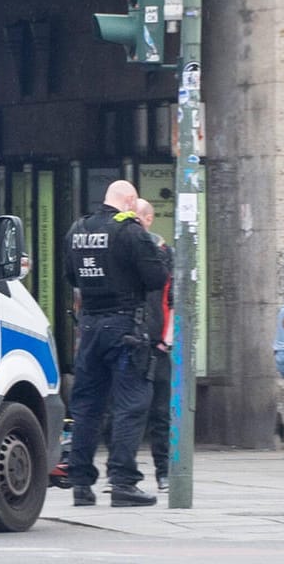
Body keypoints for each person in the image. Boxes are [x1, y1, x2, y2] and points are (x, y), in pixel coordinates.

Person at [62, 179, 168, 507]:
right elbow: (156, 278)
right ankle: (122, 481)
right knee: (131, 404)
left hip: (90, 328)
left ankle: (80, 482)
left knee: (87, 407)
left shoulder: (77, 229)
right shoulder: (130, 231)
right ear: (131, 201)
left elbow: (70, 277)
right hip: (125, 328)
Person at [135, 199, 174, 491]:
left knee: (160, 412)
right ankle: (122, 472)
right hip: (132, 341)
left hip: (157, 342)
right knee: (126, 410)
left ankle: (164, 471)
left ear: (148, 218)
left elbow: (173, 299)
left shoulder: (163, 252)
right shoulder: (123, 247)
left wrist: (166, 339)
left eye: (138, 217)